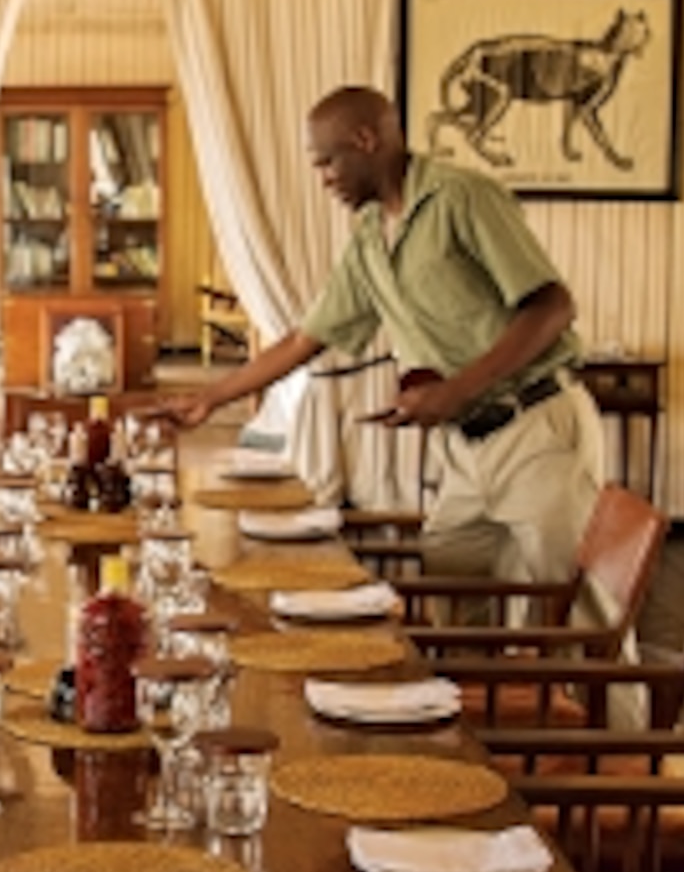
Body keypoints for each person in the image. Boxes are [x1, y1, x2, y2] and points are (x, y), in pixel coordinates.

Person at [158, 82, 605, 586]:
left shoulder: (462, 197)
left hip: (535, 431)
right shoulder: (370, 234)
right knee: (451, 600)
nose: (325, 180)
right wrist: (210, 399)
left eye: (328, 162)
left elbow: (553, 307)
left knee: (567, 619)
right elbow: (306, 338)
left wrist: (455, 390)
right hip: (464, 449)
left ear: (366, 140)